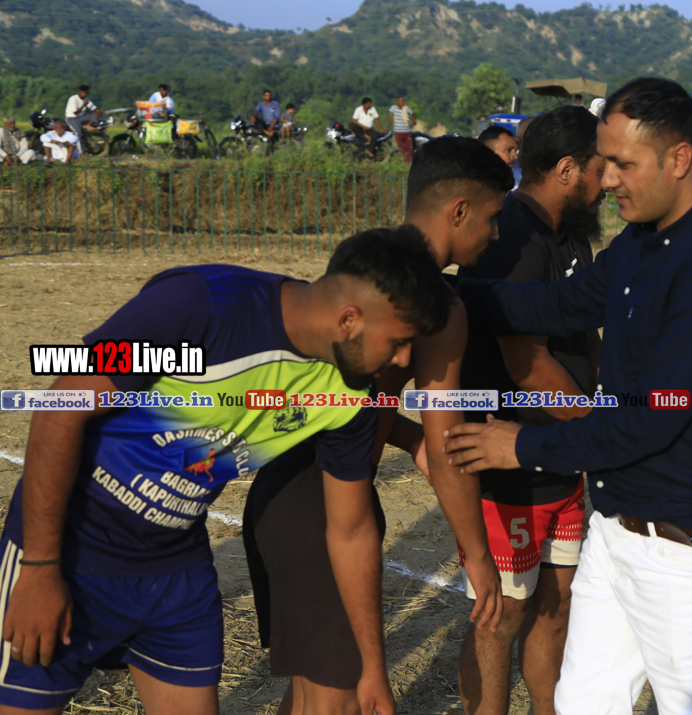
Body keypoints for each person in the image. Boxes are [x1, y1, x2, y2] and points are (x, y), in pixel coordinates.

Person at [0, 228, 454, 715]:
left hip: (177, 576)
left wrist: (370, 665)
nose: (403, 360)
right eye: (399, 342)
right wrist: (40, 568)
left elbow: (352, 530)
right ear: (348, 320)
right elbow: (61, 408)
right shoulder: (202, 306)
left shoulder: (349, 398)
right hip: (73, 556)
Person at [445, 77, 692, 715]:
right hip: (620, 527)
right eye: (603, 164)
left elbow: (648, 422)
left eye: (622, 164)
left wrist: (521, 446)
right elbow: (560, 304)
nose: (605, 181)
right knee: (582, 703)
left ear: (678, 158)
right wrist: (443, 291)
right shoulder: (643, 240)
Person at [245, 136, 512, 715]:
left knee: (313, 691)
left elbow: (340, 396)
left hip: (281, 488)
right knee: (338, 699)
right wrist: (478, 555)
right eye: (493, 217)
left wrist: (405, 434)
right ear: (459, 211)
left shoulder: (361, 266)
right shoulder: (439, 306)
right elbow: (446, 443)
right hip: (324, 505)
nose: (495, 234)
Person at [455, 106, 606, 715]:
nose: (610, 181)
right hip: (510, 467)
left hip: (563, 460)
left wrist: (602, 405)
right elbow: (528, 366)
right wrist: (602, 432)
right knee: (503, 614)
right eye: (601, 168)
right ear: (568, 169)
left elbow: (586, 335)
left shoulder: (573, 233)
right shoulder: (511, 236)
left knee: (556, 605)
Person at [389, 93, 415, 163]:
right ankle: (405, 160)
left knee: (408, 148)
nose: (402, 102)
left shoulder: (407, 109)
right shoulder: (393, 108)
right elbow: (390, 118)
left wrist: (412, 124)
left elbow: (413, 115)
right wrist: (387, 129)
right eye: (401, 101)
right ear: (397, 102)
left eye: (403, 101)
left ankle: (408, 162)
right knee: (400, 148)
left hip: (407, 132)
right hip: (398, 132)